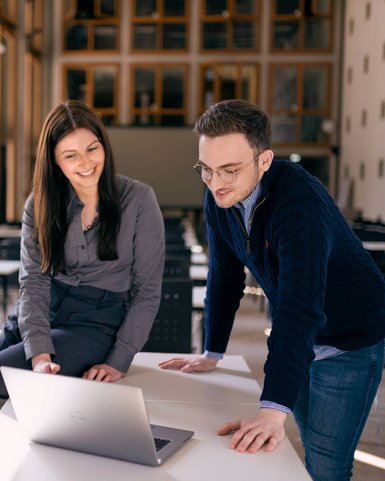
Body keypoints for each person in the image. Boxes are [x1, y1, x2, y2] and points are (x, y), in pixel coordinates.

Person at [159, 99, 385, 481]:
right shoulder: (220, 199)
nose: (216, 183)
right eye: (207, 170)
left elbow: (300, 305)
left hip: (351, 336)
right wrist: (212, 351)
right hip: (298, 333)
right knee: (303, 444)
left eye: (230, 170)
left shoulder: (300, 203)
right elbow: (225, 276)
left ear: (264, 161)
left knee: (326, 461)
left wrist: (272, 406)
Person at [0, 100, 165, 397]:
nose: (86, 163)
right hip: (40, 310)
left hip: (94, 322)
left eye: (92, 148)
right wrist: (39, 356)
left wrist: (119, 360)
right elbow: (34, 283)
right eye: (71, 155)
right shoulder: (38, 204)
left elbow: (147, 291)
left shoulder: (139, 199)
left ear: (103, 145)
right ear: (55, 161)